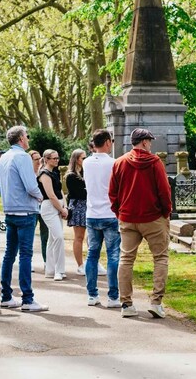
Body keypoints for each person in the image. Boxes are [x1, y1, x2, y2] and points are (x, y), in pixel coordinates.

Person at [109, 128, 172, 319]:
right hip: (153, 217)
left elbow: (113, 192)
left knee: (126, 259)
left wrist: (119, 211)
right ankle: (156, 301)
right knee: (160, 258)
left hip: (128, 217)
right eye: (149, 141)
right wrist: (166, 212)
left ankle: (126, 303)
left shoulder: (119, 162)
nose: (151, 144)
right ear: (144, 142)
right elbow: (164, 190)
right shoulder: (154, 163)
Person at [0, 126, 48, 311]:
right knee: (25, 255)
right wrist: (40, 196)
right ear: (20, 139)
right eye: (27, 136)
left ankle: (6, 296)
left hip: (10, 210)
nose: (28, 139)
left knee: (9, 254)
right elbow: (30, 184)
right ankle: (27, 299)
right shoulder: (22, 157)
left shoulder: (4, 158)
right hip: (25, 211)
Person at [83, 129, 120, 308]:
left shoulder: (87, 163)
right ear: (106, 142)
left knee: (92, 255)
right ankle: (113, 296)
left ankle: (92, 294)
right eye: (111, 141)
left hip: (92, 214)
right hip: (110, 214)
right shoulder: (114, 163)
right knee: (113, 255)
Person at [38, 149, 68, 281]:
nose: (57, 160)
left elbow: (60, 191)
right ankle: (58, 270)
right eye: (54, 158)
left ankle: (50, 269)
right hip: (49, 207)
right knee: (59, 237)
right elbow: (51, 195)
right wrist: (62, 210)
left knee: (52, 238)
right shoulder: (44, 174)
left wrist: (65, 206)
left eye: (57, 158)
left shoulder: (54, 172)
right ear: (46, 159)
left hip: (58, 205)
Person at [65, 149, 88, 274]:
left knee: (92, 237)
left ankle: (92, 262)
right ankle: (80, 265)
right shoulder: (71, 176)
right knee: (79, 237)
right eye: (82, 158)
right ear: (76, 159)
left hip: (89, 206)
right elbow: (81, 193)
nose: (85, 160)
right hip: (78, 206)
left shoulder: (86, 172)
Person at [29, 150, 48, 272]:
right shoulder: (27, 174)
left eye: (39, 158)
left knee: (45, 235)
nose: (38, 161)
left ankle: (47, 261)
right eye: (35, 159)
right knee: (29, 236)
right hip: (31, 208)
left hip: (44, 208)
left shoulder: (43, 173)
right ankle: (28, 261)